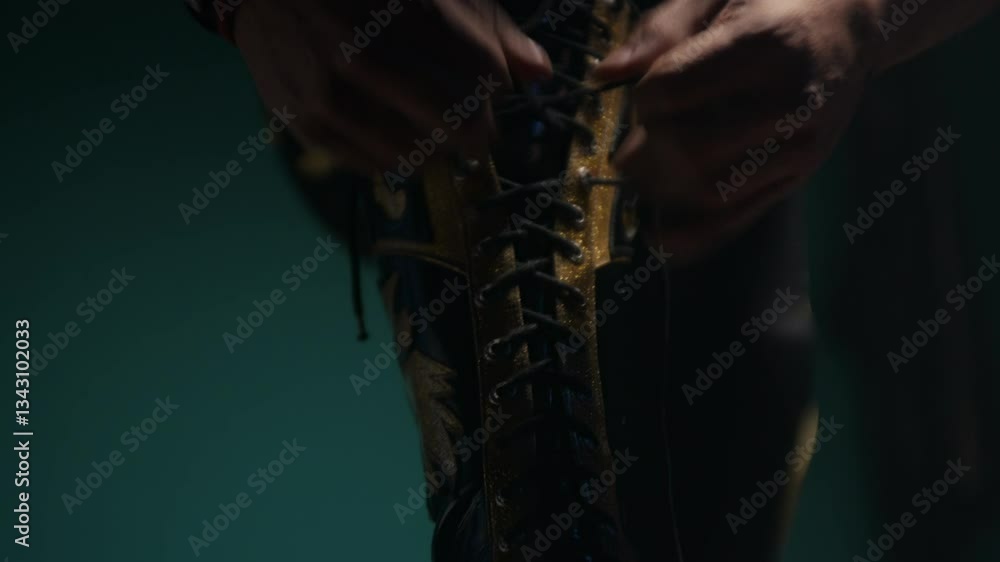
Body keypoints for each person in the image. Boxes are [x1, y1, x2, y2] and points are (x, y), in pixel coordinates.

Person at [186, 1, 999, 561]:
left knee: (707, 490)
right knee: (547, 502)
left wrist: (858, 14)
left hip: (706, 103)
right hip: (422, 94)